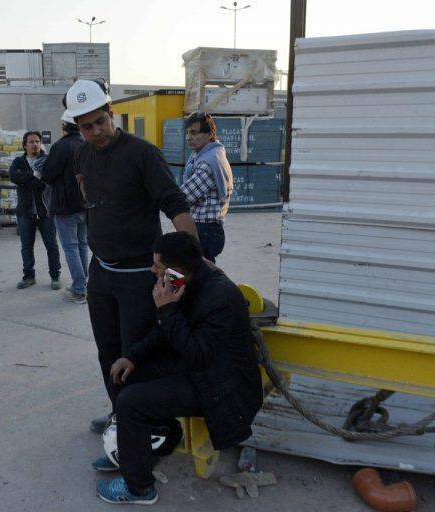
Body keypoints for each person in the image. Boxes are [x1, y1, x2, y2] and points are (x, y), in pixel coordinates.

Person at [63, 79, 198, 433]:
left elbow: (175, 204)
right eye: (86, 126)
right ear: (78, 128)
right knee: (107, 351)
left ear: (111, 113)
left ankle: (144, 423)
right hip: (101, 273)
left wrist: (189, 261)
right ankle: (120, 414)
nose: (95, 132)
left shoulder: (142, 154)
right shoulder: (82, 153)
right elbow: (84, 183)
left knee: (135, 354)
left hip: (139, 275)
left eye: (100, 122)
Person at [93, 232, 263, 505]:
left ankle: (139, 489)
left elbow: (198, 355)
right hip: (199, 368)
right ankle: (145, 446)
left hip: (221, 387)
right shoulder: (184, 280)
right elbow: (164, 333)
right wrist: (132, 357)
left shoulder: (220, 297)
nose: (152, 271)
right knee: (122, 376)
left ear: (177, 270)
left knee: (130, 402)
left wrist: (167, 311)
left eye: (158, 267)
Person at [41, 113, 89, 303]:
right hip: (84, 204)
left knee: (70, 248)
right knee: (82, 245)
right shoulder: (86, 144)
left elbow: (48, 174)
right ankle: (83, 284)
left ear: (63, 126)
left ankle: (79, 289)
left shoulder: (61, 146)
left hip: (65, 205)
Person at [8, 131, 61, 290]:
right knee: (26, 246)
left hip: (45, 211)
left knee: (51, 245)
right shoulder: (18, 161)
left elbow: (46, 182)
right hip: (25, 212)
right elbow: (13, 177)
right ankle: (29, 276)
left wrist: (26, 180)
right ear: (25, 145)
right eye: (31, 142)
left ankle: (55, 276)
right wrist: (34, 175)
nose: (35, 144)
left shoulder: (47, 161)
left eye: (37, 141)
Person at [181, 112, 233, 264]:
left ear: (210, 134)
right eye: (187, 132)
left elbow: (184, 197)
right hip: (206, 229)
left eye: (194, 133)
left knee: (195, 272)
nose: (188, 137)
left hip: (205, 231)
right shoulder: (206, 155)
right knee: (199, 272)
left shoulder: (207, 164)